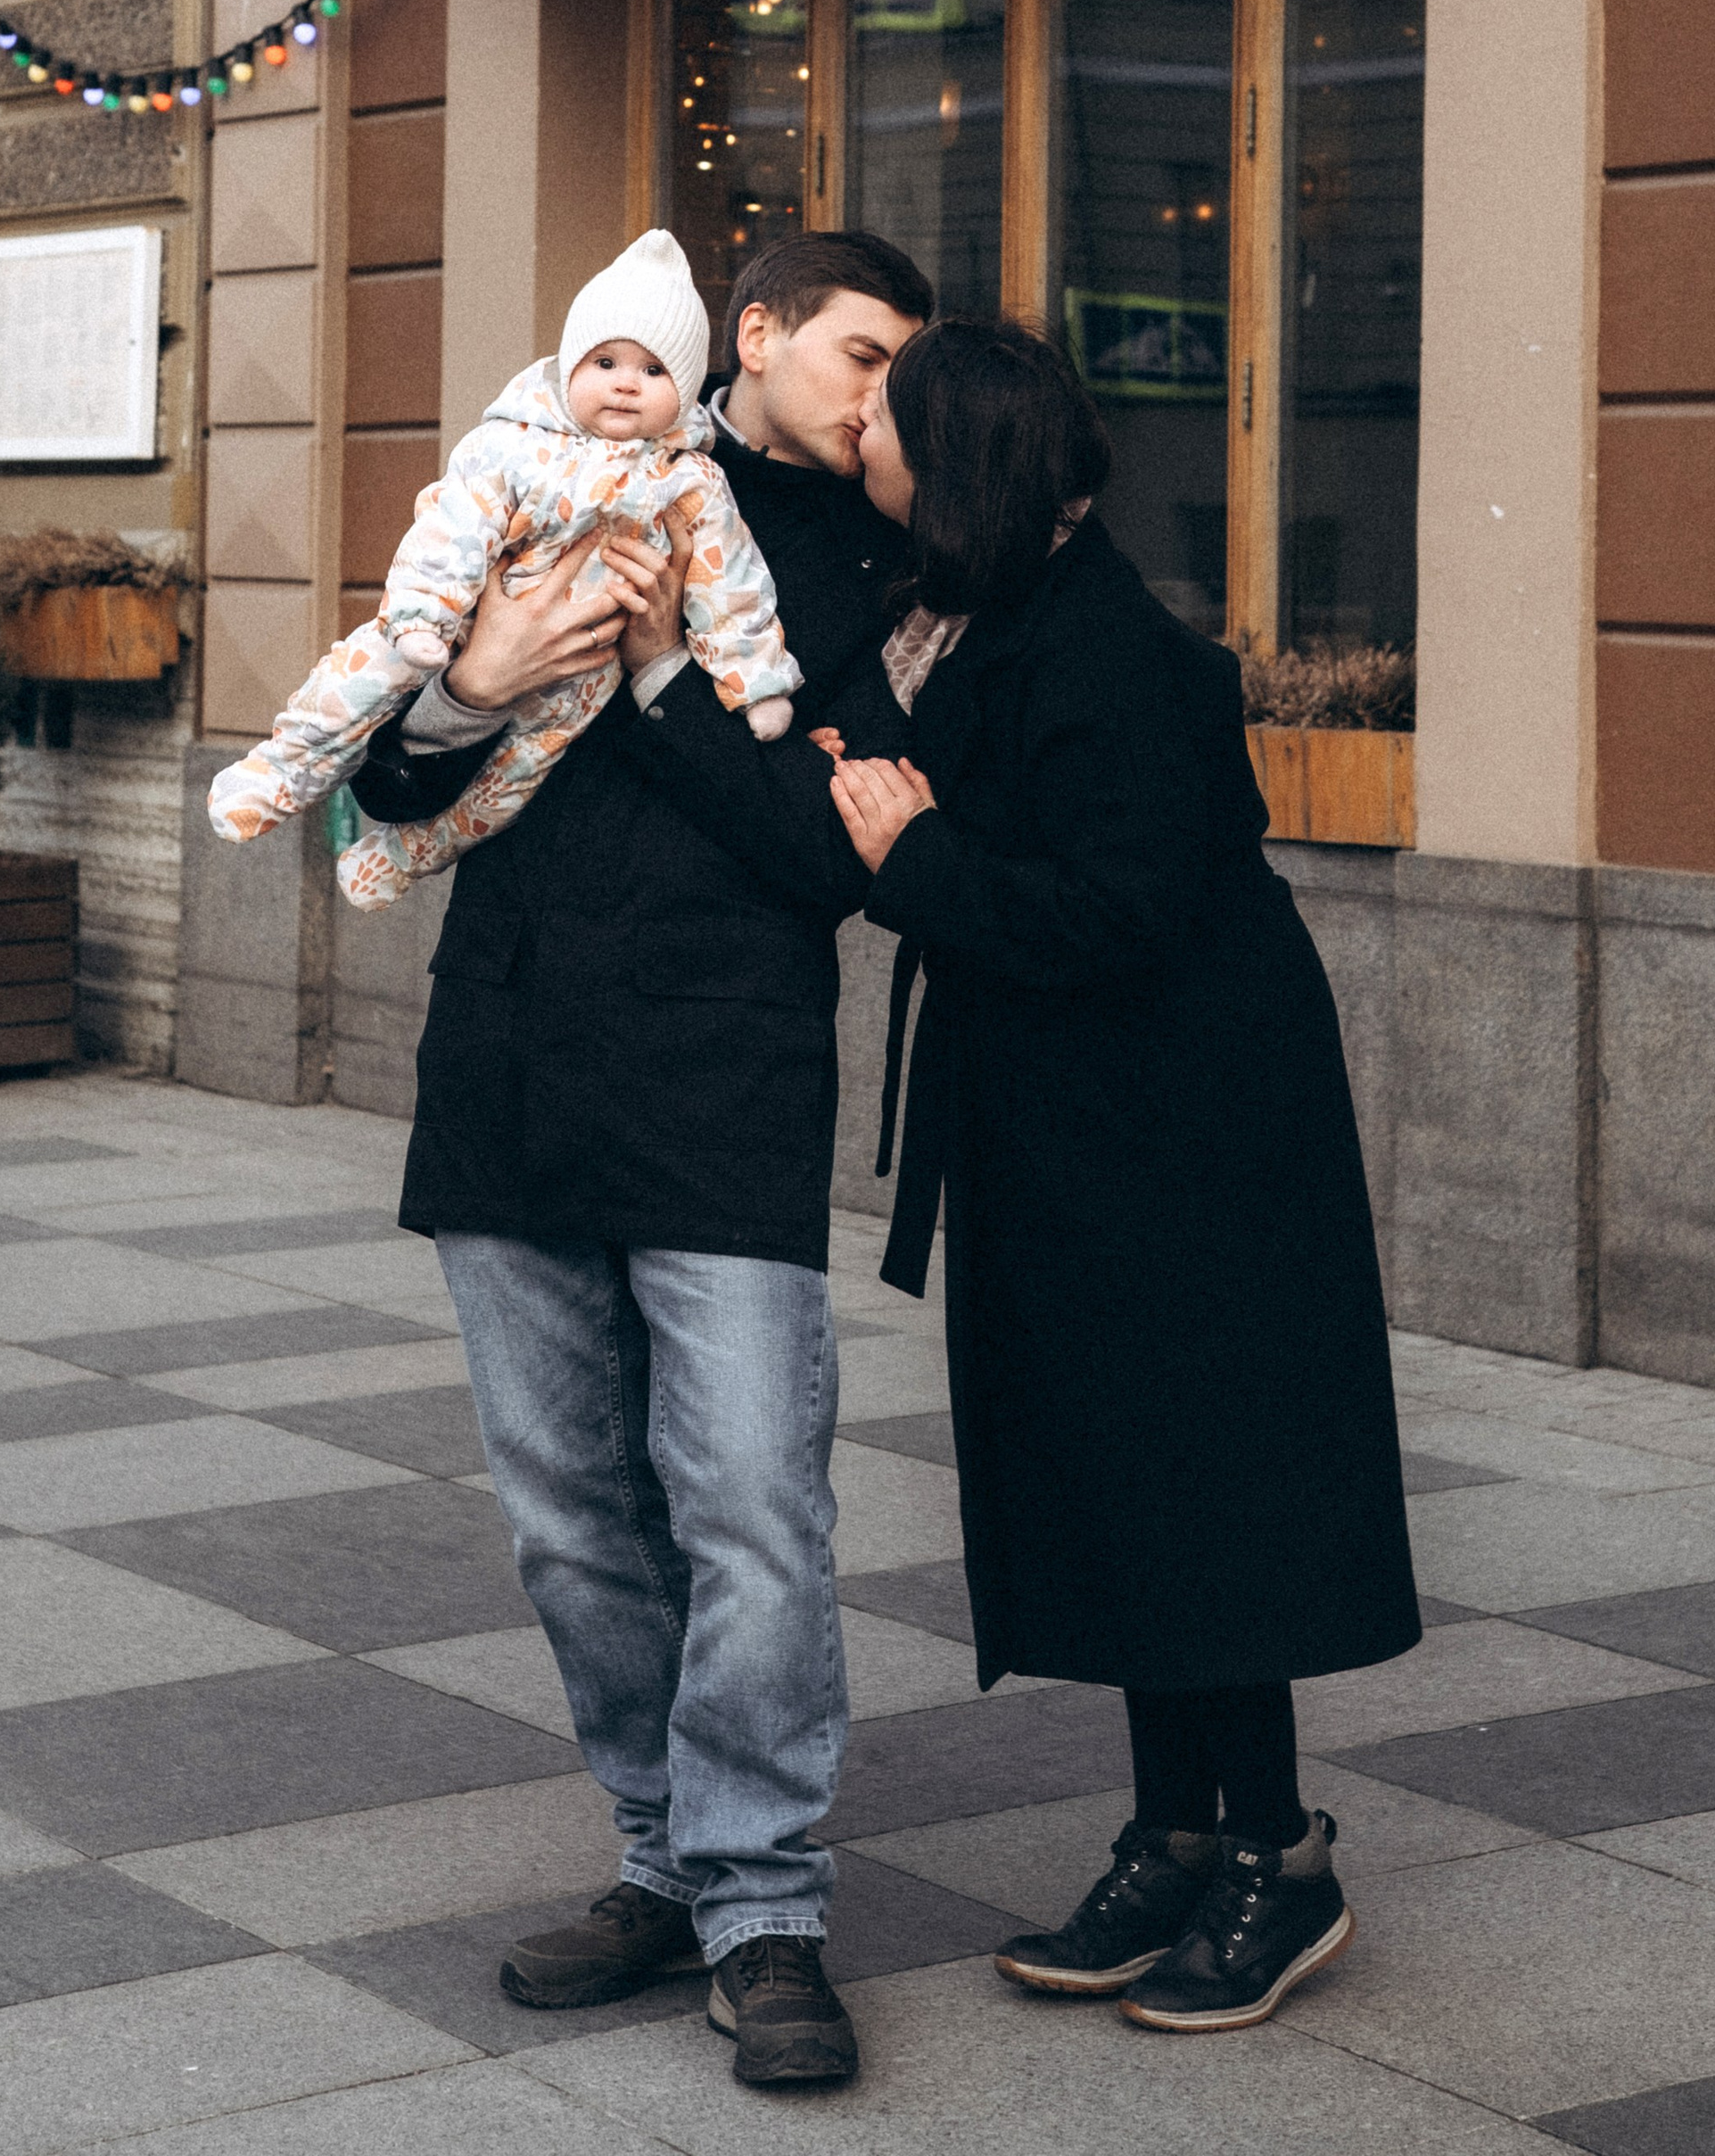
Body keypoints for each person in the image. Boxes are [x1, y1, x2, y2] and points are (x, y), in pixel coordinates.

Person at [641, 317, 1422, 2037]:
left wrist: (915, 848)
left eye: (892, 434)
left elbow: (1113, 917)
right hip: (1076, 1126)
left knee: (1198, 1484)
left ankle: (1278, 1860)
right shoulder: (985, 619)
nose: (868, 454)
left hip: (1188, 1142)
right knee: (1115, 1477)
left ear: (964, 463)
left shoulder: (1122, 655)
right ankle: (1175, 1825)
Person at [348, 230, 932, 2091]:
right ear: (746, 340)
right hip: (510, 1067)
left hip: (725, 1083)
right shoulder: (531, 476)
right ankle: (659, 1860)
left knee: (753, 1505)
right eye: (854, 355)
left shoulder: (860, 569)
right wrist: (479, 676)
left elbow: (826, 852)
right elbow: (384, 774)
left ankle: (763, 1907)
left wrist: (667, 670)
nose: (877, 397)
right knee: (567, 1517)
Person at [203, 230, 798, 895]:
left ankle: (397, 862)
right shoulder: (510, 445)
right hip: (456, 622)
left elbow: (734, 586)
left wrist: (756, 681)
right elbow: (453, 527)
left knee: (509, 787)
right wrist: (427, 616)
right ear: (570, 365)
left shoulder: (691, 480)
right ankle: (278, 774)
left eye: (655, 371)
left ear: (683, 391)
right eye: (606, 362)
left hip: (585, 676)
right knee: (358, 680)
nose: (628, 384)